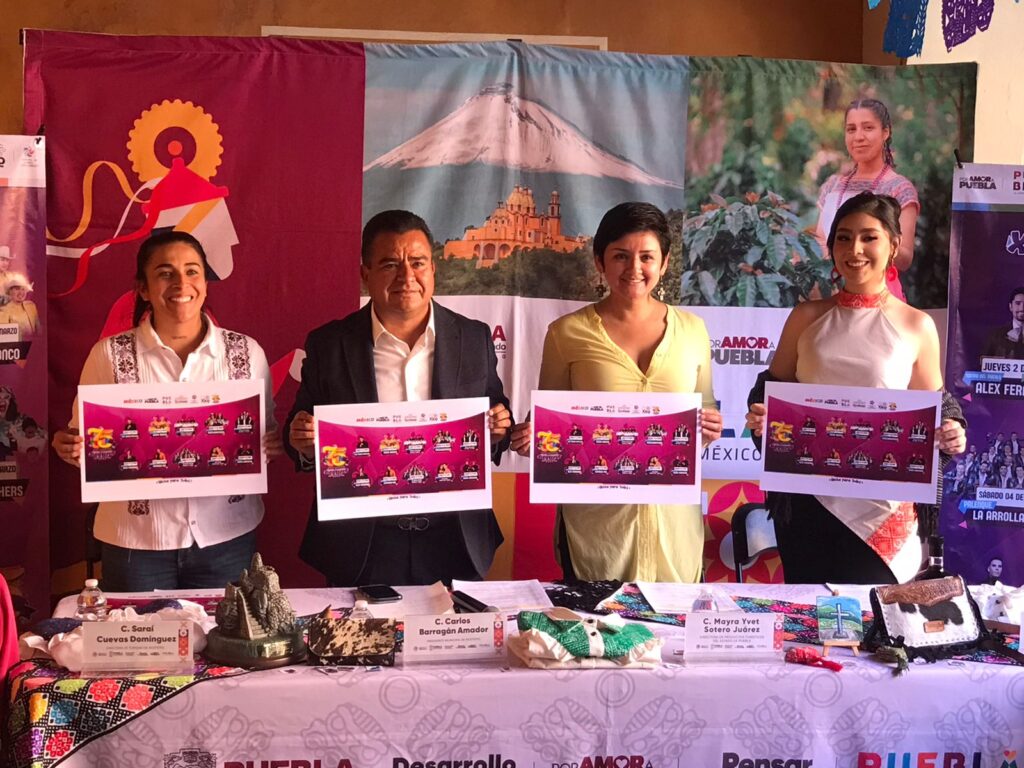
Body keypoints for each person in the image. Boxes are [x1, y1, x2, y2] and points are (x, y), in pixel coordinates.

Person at [285, 210, 513, 587]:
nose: (407, 277)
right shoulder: (330, 344)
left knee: (455, 629)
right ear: (365, 274)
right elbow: (300, 431)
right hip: (363, 543)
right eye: (390, 264)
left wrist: (500, 428)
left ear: (433, 269)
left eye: (418, 263)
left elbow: (496, 417)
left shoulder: (473, 338)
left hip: (453, 538)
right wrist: (303, 441)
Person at [747, 192, 965, 584]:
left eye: (869, 237)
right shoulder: (805, 317)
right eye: (844, 238)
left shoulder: (917, 325)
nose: (855, 249)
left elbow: (938, 409)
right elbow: (769, 395)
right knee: (810, 615)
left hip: (883, 509)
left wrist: (950, 431)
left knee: (874, 617)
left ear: (893, 245)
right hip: (806, 504)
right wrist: (763, 418)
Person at [52, 231, 283, 591]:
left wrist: (271, 445)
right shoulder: (109, 355)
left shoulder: (246, 353)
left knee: (225, 629)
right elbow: (86, 442)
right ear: (143, 289)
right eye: (165, 273)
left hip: (225, 538)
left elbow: (264, 435)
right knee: (136, 630)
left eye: (192, 271)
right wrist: (72, 447)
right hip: (135, 543)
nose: (181, 283)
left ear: (205, 283)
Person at [510, 202, 723, 582]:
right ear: (600, 261)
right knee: (595, 620)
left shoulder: (694, 330)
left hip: (674, 527)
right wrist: (533, 437)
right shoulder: (566, 333)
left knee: (672, 620)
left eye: (646, 257)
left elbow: (704, 411)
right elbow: (548, 422)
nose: (634, 268)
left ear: (665, 262)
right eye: (620, 256)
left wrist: (710, 428)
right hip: (596, 529)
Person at [816, 98, 918, 302]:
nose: (858, 137)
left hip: (877, 298)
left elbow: (905, 258)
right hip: (827, 294)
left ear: (885, 132)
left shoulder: (899, 188)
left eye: (868, 128)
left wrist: (870, 246)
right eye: (851, 129)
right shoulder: (833, 185)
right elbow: (819, 239)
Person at [981, 287, 1024, 360]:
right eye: (1018, 303)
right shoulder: (995, 335)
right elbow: (984, 362)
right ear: (1010, 306)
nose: (1022, 308)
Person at [0, 272, 40, 336]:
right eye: (17, 289)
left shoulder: (31, 306)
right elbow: (4, 338)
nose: (21, 292)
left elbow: (40, 333)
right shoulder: (3, 311)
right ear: (9, 291)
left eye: (23, 289)